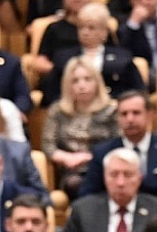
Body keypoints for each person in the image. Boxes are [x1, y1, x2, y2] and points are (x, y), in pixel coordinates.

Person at [79, 90, 157, 217]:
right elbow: (87, 195)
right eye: (124, 114)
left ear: (150, 115)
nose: (130, 119)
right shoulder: (103, 152)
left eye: (136, 113)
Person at [42, 56, 120, 199]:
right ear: (67, 85)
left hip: (105, 167)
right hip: (72, 170)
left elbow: (119, 144)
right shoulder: (57, 111)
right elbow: (48, 146)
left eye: (87, 79)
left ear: (97, 82)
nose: (81, 85)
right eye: (75, 81)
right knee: (75, 183)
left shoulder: (111, 110)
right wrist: (67, 158)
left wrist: (90, 157)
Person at [41, 2, 144, 107]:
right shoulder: (63, 58)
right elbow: (51, 94)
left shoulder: (123, 58)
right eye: (81, 27)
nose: (85, 32)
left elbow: (137, 91)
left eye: (91, 28)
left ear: (104, 31)